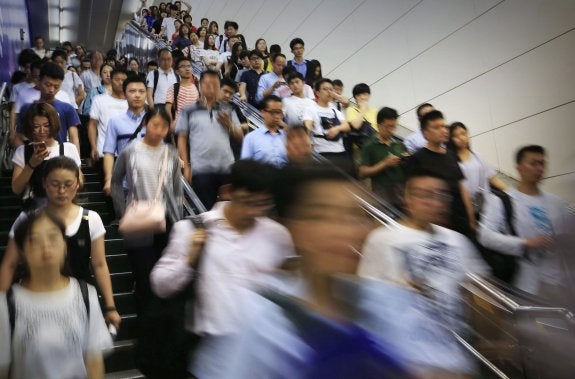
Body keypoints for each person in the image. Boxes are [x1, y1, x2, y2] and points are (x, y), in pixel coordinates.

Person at [225, 164, 416, 378]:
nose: (345, 230)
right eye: (322, 215)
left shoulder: (388, 304)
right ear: (294, 228)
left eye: (356, 215)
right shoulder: (267, 324)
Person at [151, 160, 293, 378]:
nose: (252, 211)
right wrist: (189, 261)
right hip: (209, 356)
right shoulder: (192, 229)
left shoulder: (278, 236)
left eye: (263, 204)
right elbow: (160, 285)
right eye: (247, 201)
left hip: (263, 357)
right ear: (228, 191)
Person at [359, 170, 489, 377]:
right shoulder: (381, 239)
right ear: (407, 198)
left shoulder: (457, 241)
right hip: (405, 362)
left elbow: (481, 293)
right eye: (426, 195)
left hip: (455, 360)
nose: (435, 202)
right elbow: (365, 302)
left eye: (441, 195)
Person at [2, 156, 120, 325]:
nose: (62, 191)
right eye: (55, 184)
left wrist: (110, 307)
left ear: (77, 184)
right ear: (44, 183)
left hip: (79, 298)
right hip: (36, 299)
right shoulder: (28, 218)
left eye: (68, 184)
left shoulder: (90, 219)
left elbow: (99, 264)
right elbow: (9, 264)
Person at [0, 209, 113, 379]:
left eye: (53, 237)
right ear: (22, 253)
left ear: (65, 246)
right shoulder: (7, 305)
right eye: (35, 240)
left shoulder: (85, 295)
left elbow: (94, 363)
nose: (46, 247)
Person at [111, 107, 183, 315]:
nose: (159, 131)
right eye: (155, 125)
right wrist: (122, 212)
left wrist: (178, 221)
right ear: (145, 124)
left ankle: (159, 320)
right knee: (144, 277)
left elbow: (177, 189)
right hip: (138, 220)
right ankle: (145, 321)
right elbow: (116, 181)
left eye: (164, 127)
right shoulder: (130, 150)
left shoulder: (171, 153)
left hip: (166, 220)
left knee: (165, 278)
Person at [478, 145, 573, 299]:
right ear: (520, 168)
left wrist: (562, 241)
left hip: (561, 281)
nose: (539, 168)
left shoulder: (557, 203)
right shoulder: (503, 201)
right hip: (529, 283)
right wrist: (525, 243)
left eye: (542, 163)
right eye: (533, 163)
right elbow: (485, 236)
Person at [176, 70, 243, 210]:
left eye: (215, 84)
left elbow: (240, 136)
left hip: (226, 168)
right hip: (201, 169)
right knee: (205, 210)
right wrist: (186, 166)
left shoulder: (228, 109)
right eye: (207, 84)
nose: (211, 88)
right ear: (199, 85)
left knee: (228, 211)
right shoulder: (188, 110)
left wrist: (229, 125)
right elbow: (181, 138)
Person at [405, 110, 476, 237]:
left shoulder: (451, 155)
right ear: (426, 133)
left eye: (444, 126)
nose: (443, 130)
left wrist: (471, 218)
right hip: (436, 225)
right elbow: (411, 194)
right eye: (437, 127)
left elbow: (462, 188)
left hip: (461, 220)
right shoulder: (417, 159)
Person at [11, 103, 82, 208]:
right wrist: (31, 164)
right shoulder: (23, 151)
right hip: (35, 209)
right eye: (36, 126)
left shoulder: (68, 149)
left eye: (46, 125)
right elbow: (16, 188)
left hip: (64, 207)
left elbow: (80, 182)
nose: (41, 131)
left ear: (53, 124)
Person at [16, 62, 81, 155]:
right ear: (38, 81)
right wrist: (25, 155)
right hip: (34, 159)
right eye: (48, 84)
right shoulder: (27, 109)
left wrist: (75, 163)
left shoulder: (67, 108)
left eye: (56, 86)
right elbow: (18, 136)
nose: (51, 90)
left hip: (60, 160)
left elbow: (74, 139)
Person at [447, 122, 507, 215]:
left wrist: (511, 193)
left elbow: (492, 177)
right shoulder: (451, 160)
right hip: (465, 209)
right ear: (451, 139)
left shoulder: (477, 156)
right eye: (456, 136)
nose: (461, 138)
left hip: (486, 204)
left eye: (463, 133)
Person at [102, 75, 148, 196]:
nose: (137, 95)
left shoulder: (154, 121)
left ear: (146, 94)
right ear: (124, 94)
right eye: (132, 91)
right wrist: (108, 179)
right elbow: (109, 153)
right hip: (124, 184)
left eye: (141, 91)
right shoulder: (115, 122)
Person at [359, 107, 407, 209]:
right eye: (388, 127)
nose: (391, 130)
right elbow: (363, 173)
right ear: (378, 125)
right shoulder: (369, 146)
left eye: (394, 127)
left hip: (400, 192)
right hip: (382, 193)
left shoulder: (399, 144)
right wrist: (385, 163)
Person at [303, 78, 353, 173]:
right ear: (317, 92)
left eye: (331, 89)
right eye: (325, 89)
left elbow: (347, 127)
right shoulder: (311, 109)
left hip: (340, 152)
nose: (329, 92)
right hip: (322, 152)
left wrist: (337, 128)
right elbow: (307, 126)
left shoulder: (335, 110)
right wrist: (306, 141)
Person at [88, 69, 128, 164]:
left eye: (123, 80)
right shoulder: (99, 100)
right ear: (111, 80)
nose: (120, 82)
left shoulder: (133, 102)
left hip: (128, 153)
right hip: (104, 151)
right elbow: (92, 125)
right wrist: (93, 147)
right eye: (117, 79)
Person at [241, 95, 287, 167]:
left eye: (279, 112)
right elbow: (245, 167)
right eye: (273, 112)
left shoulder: (286, 137)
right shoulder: (251, 138)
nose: (276, 116)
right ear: (262, 112)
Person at [166, 56, 199, 131]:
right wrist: (171, 123)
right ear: (177, 71)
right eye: (183, 66)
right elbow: (167, 108)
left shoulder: (198, 87)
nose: (187, 69)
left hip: (195, 127)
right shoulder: (174, 88)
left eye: (189, 66)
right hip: (180, 127)